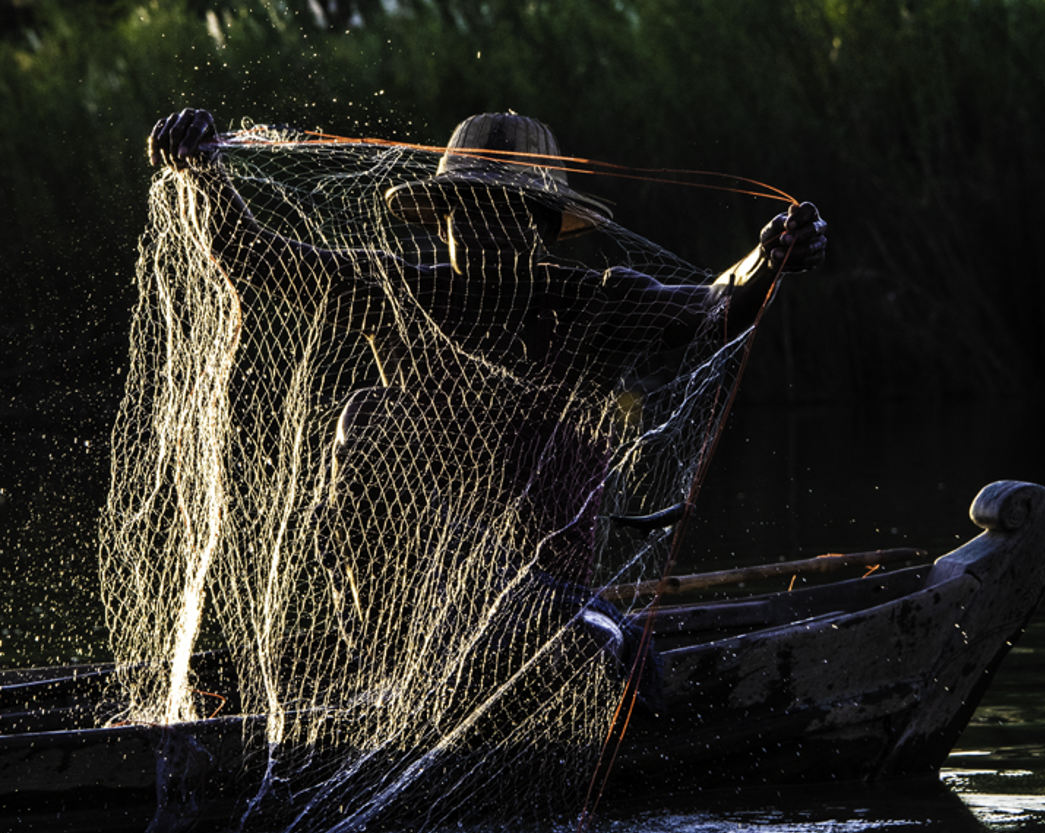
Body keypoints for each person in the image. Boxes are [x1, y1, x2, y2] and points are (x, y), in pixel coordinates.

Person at [146, 108, 827, 686]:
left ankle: (566, 630)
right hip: (413, 615)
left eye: (501, 212)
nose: (478, 229)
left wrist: (771, 257)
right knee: (370, 416)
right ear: (441, 216)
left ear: (538, 225)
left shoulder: (589, 303)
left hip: (542, 599)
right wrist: (202, 171)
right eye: (464, 209)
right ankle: (390, 672)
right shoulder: (403, 292)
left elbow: (715, 303)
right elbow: (254, 254)